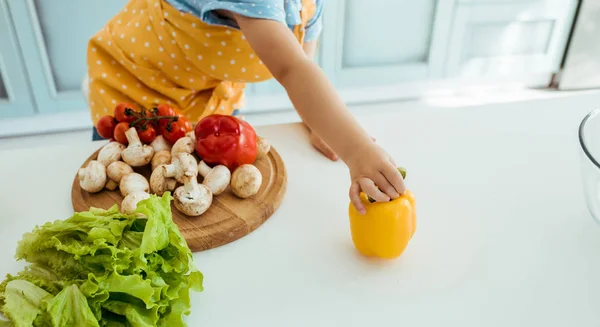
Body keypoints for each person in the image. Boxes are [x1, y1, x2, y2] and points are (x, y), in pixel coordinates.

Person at [85, 0, 405, 214]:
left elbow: (302, 61)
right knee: (127, 199)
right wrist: (357, 149)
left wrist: (319, 124)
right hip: (136, 90)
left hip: (206, 92)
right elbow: (290, 69)